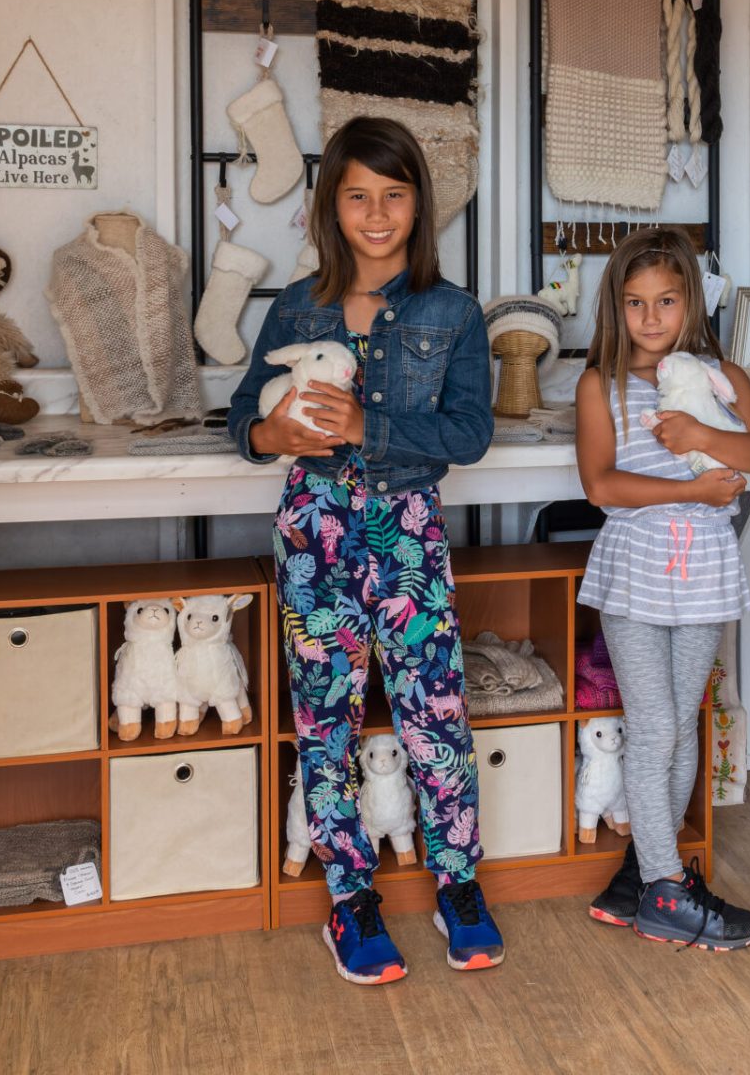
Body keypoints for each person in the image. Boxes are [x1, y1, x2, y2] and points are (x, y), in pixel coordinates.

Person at [228, 116, 503, 984]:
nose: (376, 214)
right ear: (330, 206)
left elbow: (469, 433)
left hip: (407, 532)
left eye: (393, 194)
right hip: (313, 535)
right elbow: (243, 419)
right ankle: (350, 902)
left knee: (436, 718)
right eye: (358, 196)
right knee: (325, 721)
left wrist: (368, 424)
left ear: (419, 204)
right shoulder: (295, 305)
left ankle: (460, 884)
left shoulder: (453, 311)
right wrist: (270, 431)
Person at [574, 227, 750, 950]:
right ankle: (667, 893)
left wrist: (700, 432)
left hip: (704, 574)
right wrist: (694, 487)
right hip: (635, 571)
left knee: (683, 724)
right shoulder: (600, 383)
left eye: (666, 300)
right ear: (617, 307)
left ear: (691, 299)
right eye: (635, 303)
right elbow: (600, 483)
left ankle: (640, 877)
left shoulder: (723, 378)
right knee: (654, 726)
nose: (652, 318)